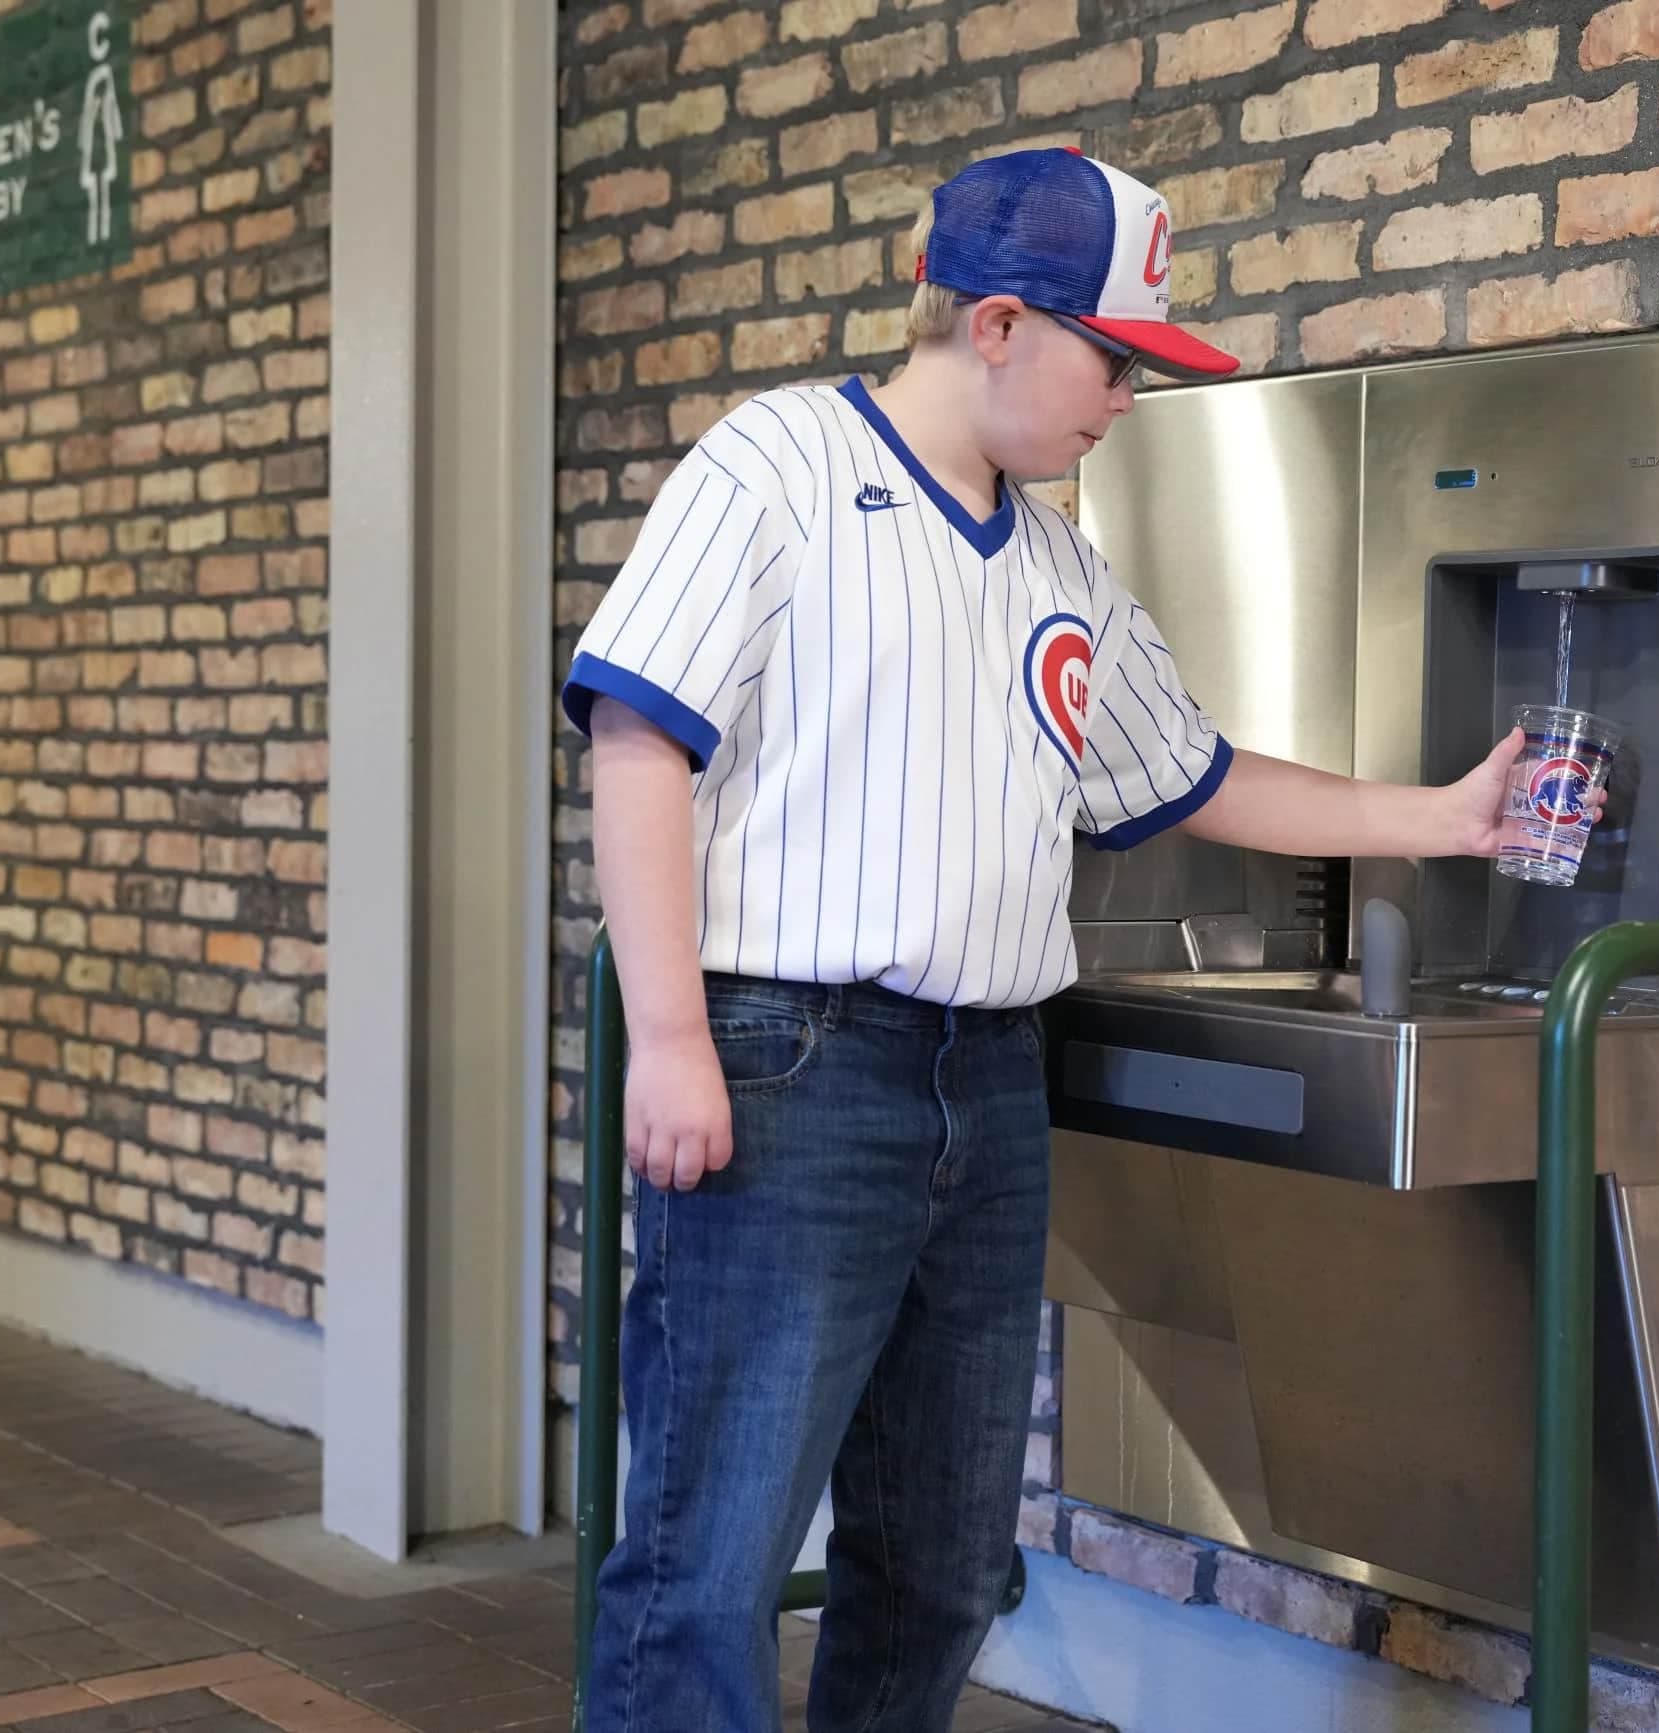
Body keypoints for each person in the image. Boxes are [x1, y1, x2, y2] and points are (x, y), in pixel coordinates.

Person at [562, 146, 1554, 1733]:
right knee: (708, 1561)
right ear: (1003, 325)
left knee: (945, 1562)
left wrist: (1441, 820)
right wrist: (672, 1035)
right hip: (790, 1067)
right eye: (1119, 359)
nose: (1128, 400)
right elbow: (637, 741)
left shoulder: (1057, 563)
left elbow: (1197, 772)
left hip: (989, 1086)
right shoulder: (777, 466)